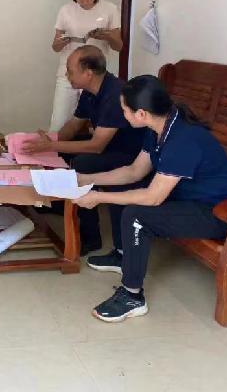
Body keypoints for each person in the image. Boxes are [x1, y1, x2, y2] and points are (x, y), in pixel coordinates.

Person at [74, 75, 227, 322]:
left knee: (136, 215)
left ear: (141, 114)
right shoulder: (159, 128)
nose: (122, 114)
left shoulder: (183, 139)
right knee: (126, 188)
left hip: (218, 213)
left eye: (125, 110)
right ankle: (123, 255)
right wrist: (84, 179)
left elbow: (153, 198)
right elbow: (134, 172)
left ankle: (132, 296)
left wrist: (98, 196)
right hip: (187, 199)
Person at [23, 45, 145, 255]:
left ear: (88, 73)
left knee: (83, 163)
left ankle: (91, 236)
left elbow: (96, 146)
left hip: (129, 155)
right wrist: (50, 141)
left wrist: (51, 145)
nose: (67, 75)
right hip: (108, 146)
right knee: (62, 152)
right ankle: (63, 203)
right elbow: (73, 125)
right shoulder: (89, 92)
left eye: (70, 71)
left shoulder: (114, 94)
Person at [49, 0, 122, 131]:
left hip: (94, 75)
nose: (85, 2)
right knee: (59, 122)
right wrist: (62, 42)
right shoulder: (66, 10)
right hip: (68, 73)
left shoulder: (110, 9)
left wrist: (107, 36)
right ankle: (56, 146)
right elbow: (55, 46)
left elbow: (118, 46)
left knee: (95, 123)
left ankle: (89, 146)